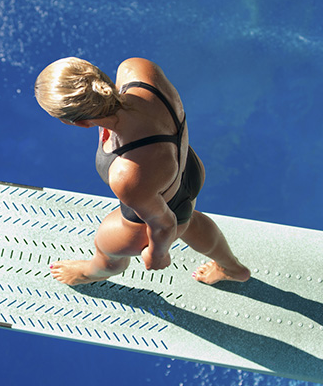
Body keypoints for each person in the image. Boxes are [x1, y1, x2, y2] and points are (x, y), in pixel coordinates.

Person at [34, 57, 250, 286]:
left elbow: (165, 224)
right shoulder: (138, 69)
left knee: (107, 250)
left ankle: (92, 273)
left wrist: (158, 254)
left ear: (78, 123)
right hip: (187, 170)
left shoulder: (126, 174)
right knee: (189, 220)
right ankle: (233, 268)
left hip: (156, 204)